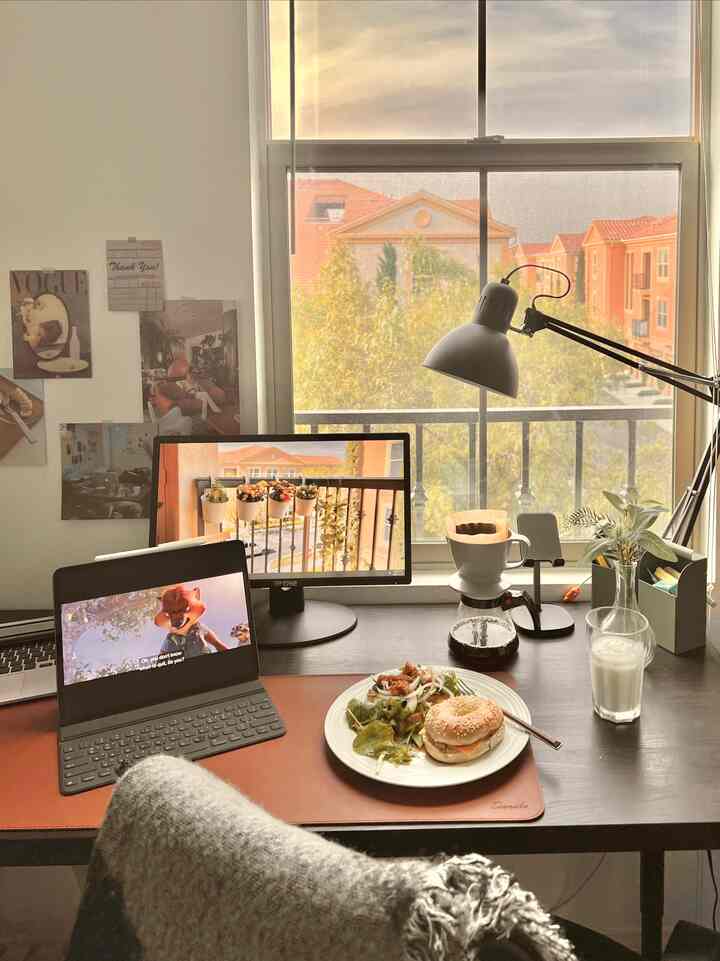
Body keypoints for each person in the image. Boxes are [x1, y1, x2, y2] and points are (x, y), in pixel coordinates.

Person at [154, 585, 228, 659]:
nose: (176, 618)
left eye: (180, 611)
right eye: (172, 612)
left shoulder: (199, 628)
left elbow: (218, 644)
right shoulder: (170, 639)